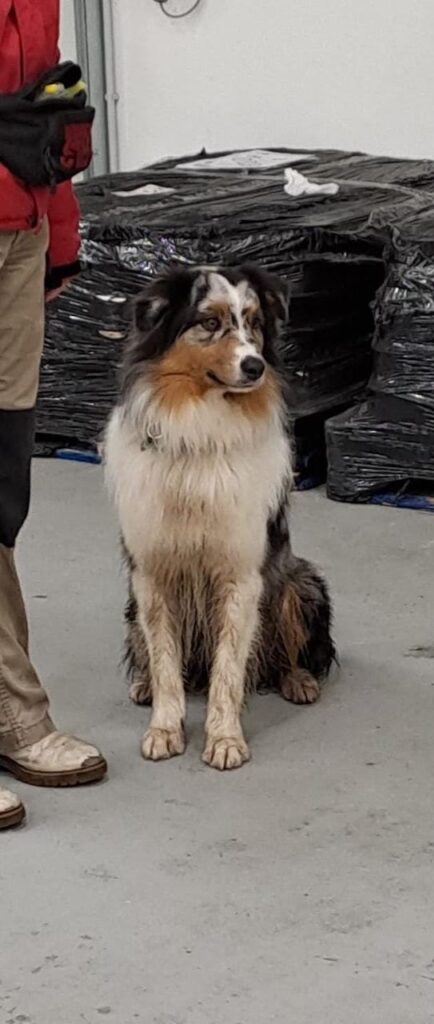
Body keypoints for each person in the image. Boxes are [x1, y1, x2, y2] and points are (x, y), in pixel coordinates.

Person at [0, 0, 107, 830]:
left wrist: (59, 237)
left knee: (2, 488)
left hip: (18, 233)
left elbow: (50, 103)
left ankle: (14, 715)